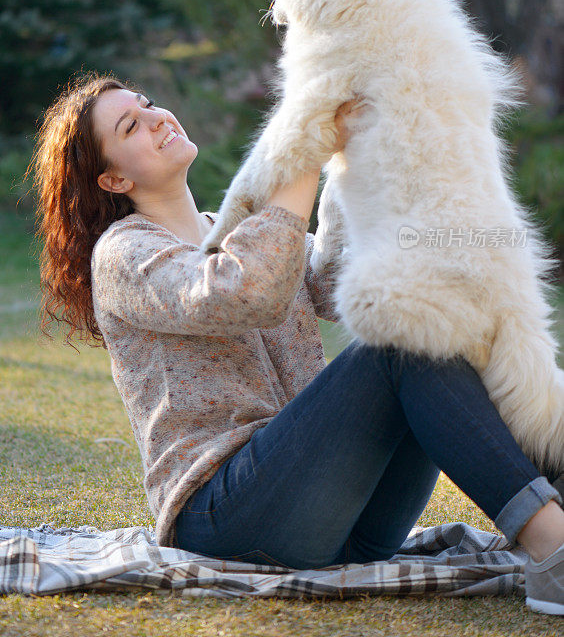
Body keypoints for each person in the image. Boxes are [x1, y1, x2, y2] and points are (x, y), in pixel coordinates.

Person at [31, 73, 564, 616]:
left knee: (421, 327)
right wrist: (302, 146)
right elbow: (246, 293)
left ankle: (555, 503)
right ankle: (553, 548)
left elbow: (332, 281)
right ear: (114, 179)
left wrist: (347, 158)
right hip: (224, 518)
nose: (156, 118)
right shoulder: (123, 254)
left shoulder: (233, 231)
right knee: (395, 353)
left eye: (148, 105)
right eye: (131, 126)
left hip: (338, 522)